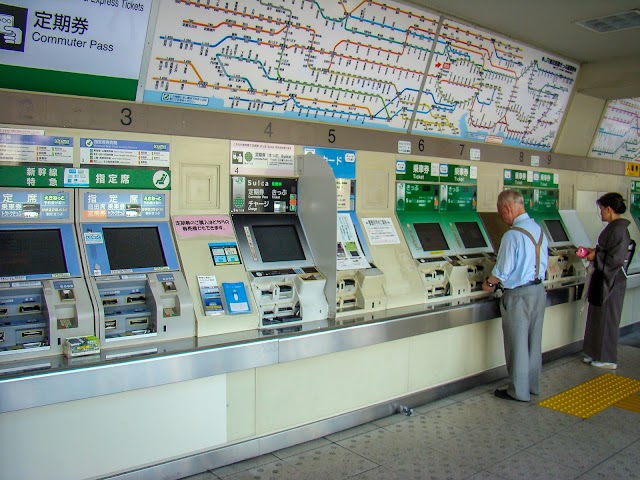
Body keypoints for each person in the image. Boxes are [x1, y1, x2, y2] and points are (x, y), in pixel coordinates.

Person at [482, 190, 548, 402]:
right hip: (538, 291)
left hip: (518, 295)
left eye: (502, 213)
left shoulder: (512, 235)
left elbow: (502, 270)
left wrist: (489, 283)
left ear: (508, 208)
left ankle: (518, 391)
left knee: (517, 344)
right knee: (533, 342)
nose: (502, 218)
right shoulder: (538, 230)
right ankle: (532, 386)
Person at [580, 192, 631, 370]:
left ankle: (607, 357)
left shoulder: (619, 229)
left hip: (612, 280)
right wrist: (596, 252)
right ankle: (595, 352)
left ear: (609, 209)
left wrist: (597, 255)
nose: (600, 213)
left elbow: (616, 258)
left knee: (608, 319)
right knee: (598, 316)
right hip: (604, 278)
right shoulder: (614, 228)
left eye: (601, 209)